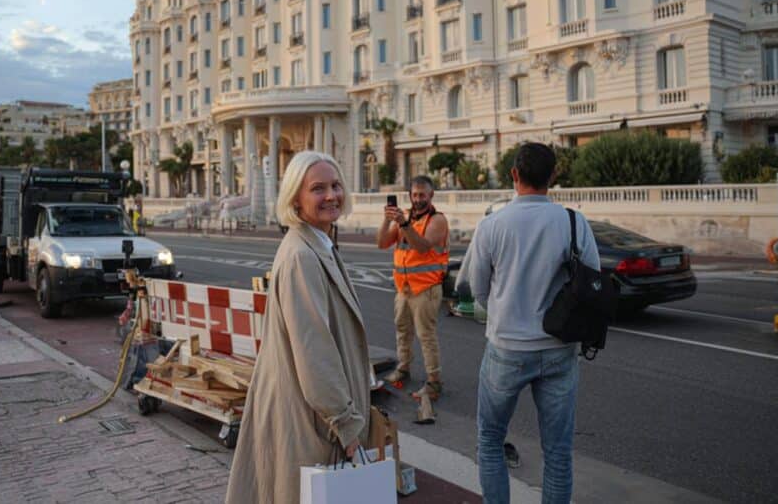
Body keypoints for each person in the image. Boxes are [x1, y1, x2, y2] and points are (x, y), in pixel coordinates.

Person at [457, 143, 599, 504]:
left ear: (514, 175)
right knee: (558, 453)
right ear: (553, 177)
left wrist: (501, 312)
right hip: (559, 349)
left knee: (490, 441)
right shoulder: (573, 222)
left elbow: (478, 288)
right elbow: (592, 280)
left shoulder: (491, 225)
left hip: (507, 347)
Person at [226, 151, 370, 504]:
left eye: (336, 185)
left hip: (313, 414)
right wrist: (347, 425)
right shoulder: (302, 256)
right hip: (314, 420)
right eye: (318, 189)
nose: (332, 196)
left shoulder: (316, 244)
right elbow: (314, 354)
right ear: (295, 198)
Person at [376, 175, 449, 400]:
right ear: (409, 195)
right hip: (404, 288)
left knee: (426, 336)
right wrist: (388, 220)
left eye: (422, 195)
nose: (418, 199)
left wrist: (403, 224)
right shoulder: (404, 217)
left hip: (426, 288)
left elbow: (421, 247)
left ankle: (434, 382)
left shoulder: (437, 220)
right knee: (402, 331)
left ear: (431, 195)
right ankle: (404, 368)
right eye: (414, 195)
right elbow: (381, 243)